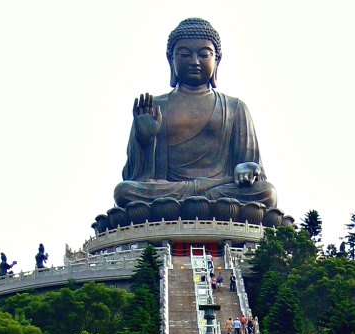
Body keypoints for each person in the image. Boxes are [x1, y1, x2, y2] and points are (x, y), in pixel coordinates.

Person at [113, 18, 277, 209]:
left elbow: (253, 168)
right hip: (169, 190)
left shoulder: (235, 107)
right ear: (170, 59)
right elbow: (134, 177)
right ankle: (194, 203)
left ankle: (194, 203)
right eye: (184, 54)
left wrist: (248, 168)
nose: (194, 62)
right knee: (124, 191)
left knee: (267, 192)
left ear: (217, 60)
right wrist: (144, 140)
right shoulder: (154, 107)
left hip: (219, 188)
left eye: (204, 54)